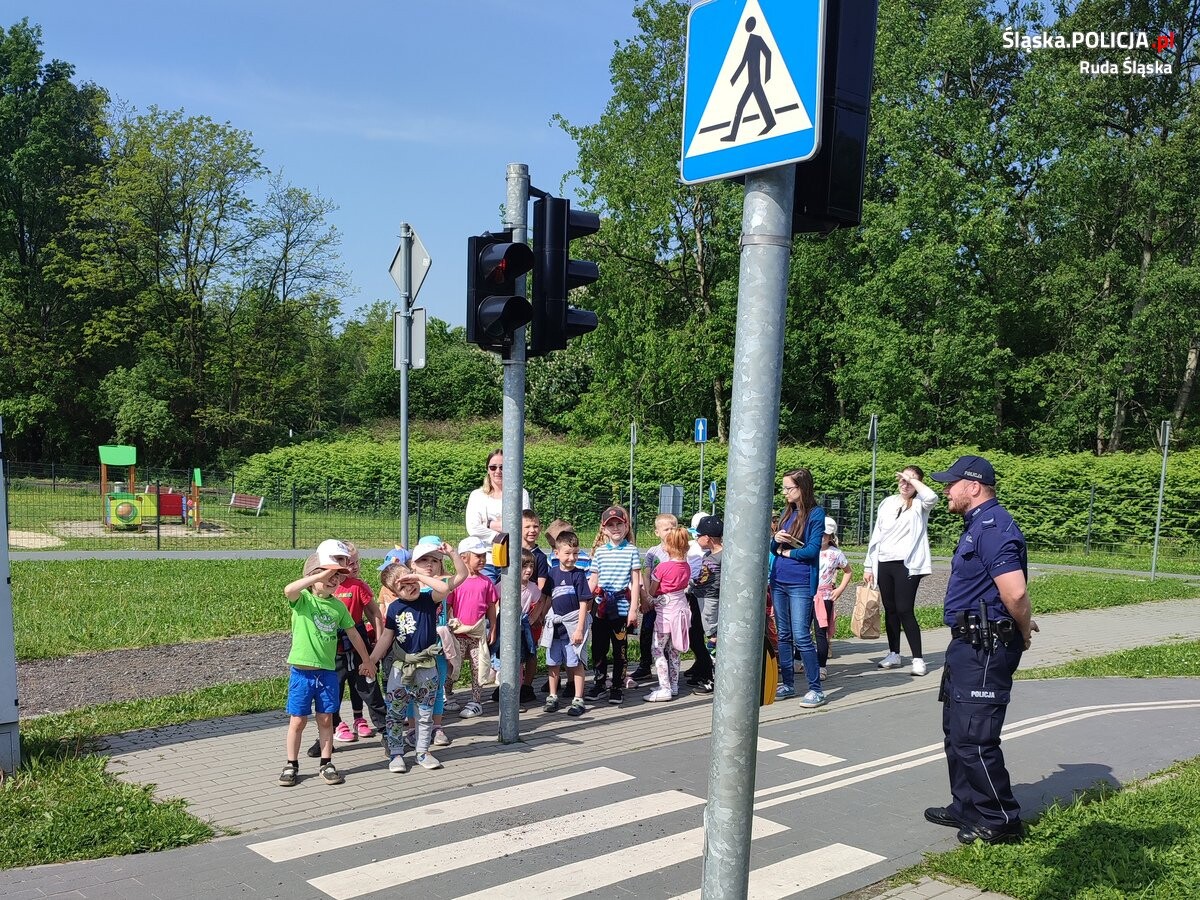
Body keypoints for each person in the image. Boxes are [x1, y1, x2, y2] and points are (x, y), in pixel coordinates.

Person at [924, 455, 1038, 845]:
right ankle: (967, 807)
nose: (945, 490)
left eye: (951, 483)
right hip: (967, 644)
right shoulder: (977, 525)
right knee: (956, 733)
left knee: (975, 737)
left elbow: (1015, 592)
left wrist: (1022, 630)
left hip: (986, 648)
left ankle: (1001, 819)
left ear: (973, 486)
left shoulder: (994, 528)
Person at [279, 546, 375, 788]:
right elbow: (289, 590)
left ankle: (326, 762)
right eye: (330, 575)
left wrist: (367, 660)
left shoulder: (338, 606)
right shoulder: (303, 600)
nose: (335, 580)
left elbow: (353, 634)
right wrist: (319, 576)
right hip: (302, 674)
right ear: (314, 576)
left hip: (327, 673)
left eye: (338, 576)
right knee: (298, 721)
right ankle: (291, 764)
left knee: (325, 720)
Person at [370, 560, 453, 773]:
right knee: (395, 713)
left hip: (427, 668)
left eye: (411, 581)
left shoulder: (428, 599)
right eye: (403, 585)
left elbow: (444, 588)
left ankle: (423, 751)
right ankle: (396, 753)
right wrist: (371, 660)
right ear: (394, 592)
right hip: (400, 668)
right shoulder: (394, 608)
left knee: (424, 714)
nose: (410, 587)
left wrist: (418, 577)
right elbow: (386, 637)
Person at [864, 465, 939, 676]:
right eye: (902, 480)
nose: (905, 484)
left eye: (910, 480)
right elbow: (877, 533)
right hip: (884, 561)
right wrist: (869, 565)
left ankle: (918, 659)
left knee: (905, 609)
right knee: (890, 609)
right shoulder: (888, 502)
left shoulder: (920, 504)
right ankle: (894, 653)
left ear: (918, 483)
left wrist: (912, 479)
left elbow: (932, 496)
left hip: (907, 564)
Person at [770, 468, 827, 707]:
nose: (785, 492)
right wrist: (776, 541)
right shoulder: (787, 512)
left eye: (789, 488)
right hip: (779, 580)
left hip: (800, 582)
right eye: (783, 488)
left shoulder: (815, 513)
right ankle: (788, 684)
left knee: (802, 635)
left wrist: (787, 552)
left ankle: (816, 689)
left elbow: (812, 550)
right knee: (783, 635)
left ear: (802, 488)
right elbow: (774, 550)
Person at [328, 541, 387, 746]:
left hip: (357, 641)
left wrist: (379, 641)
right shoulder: (325, 585)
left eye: (355, 562)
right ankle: (331, 729)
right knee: (332, 689)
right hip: (332, 646)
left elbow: (374, 613)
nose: (352, 566)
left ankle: (387, 732)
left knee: (368, 685)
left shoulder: (357, 585)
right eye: (347, 562)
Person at [585, 505, 642, 705]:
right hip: (601, 607)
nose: (615, 528)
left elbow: (635, 581)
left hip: (621, 607)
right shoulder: (600, 552)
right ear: (604, 529)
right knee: (598, 647)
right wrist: (582, 601)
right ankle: (600, 683)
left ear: (626, 526)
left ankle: (617, 686)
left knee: (620, 649)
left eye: (619, 524)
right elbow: (593, 580)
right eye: (611, 525)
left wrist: (633, 609)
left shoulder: (631, 550)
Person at [446, 536, 499, 719]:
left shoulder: (486, 582)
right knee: (453, 665)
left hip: (477, 633)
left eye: (484, 555)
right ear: (464, 558)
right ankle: (447, 694)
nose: (482, 559)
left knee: (479, 666)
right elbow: (448, 606)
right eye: (478, 556)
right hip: (458, 633)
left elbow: (491, 606)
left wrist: (493, 628)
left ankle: (476, 701)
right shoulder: (455, 582)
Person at [542, 530, 592, 718]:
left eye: (575, 553)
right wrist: (542, 618)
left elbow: (584, 603)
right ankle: (552, 696)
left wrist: (579, 629)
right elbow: (547, 599)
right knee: (553, 662)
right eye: (567, 553)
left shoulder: (579, 575)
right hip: (555, 626)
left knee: (575, 662)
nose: (572, 558)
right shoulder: (552, 574)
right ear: (557, 553)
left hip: (572, 626)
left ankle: (578, 698)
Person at [465, 449, 531, 584]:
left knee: (512, 596)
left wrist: (488, 524)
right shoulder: (477, 495)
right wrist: (503, 535)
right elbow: (473, 528)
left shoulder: (521, 494)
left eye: (503, 467)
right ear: (487, 470)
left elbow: (524, 525)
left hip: (512, 558)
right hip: (485, 560)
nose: (498, 471)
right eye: (493, 467)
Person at [643, 526, 693, 702]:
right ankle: (674, 684)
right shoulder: (686, 566)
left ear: (668, 547)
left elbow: (652, 590)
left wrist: (649, 595)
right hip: (681, 610)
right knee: (674, 650)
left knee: (657, 649)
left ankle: (664, 688)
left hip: (665, 613)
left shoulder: (662, 567)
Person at [631, 513, 678, 684]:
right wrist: (647, 597)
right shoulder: (653, 552)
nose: (670, 532)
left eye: (673, 528)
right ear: (657, 532)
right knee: (647, 630)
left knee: (668, 636)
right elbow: (646, 574)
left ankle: (668, 669)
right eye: (666, 529)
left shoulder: (679, 551)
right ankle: (645, 665)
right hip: (654, 598)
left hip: (671, 602)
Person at [815, 517, 852, 681]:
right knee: (801, 630)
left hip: (825, 596)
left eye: (826, 534)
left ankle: (821, 666)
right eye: (820, 533)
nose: (822, 536)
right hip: (806, 594)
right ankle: (797, 660)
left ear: (831, 536)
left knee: (820, 632)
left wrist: (840, 589)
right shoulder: (809, 549)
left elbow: (848, 571)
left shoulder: (836, 553)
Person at [682, 511, 714, 688]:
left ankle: (707, 671)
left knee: (706, 634)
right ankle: (701, 664)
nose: (696, 537)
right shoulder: (691, 547)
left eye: (699, 533)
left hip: (708, 598)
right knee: (694, 634)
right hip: (692, 594)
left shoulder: (715, 552)